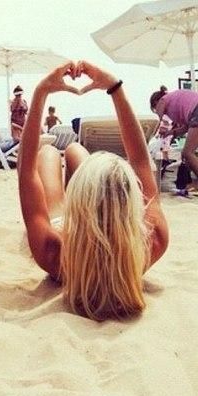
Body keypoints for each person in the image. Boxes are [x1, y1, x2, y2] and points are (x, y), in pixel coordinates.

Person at [18, 60, 169, 321]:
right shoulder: (149, 245)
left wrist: (41, 92)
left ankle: (82, 169)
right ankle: (89, 167)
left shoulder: (55, 251)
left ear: (78, 201)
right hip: (99, 232)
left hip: (67, 230)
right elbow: (142, 161)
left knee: (48, 152)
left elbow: (26, 170)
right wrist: (114, 87)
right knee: (76, 151)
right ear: (132, 200)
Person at [150, 85, 198, 179]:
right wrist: (170, 133)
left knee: (187, 153)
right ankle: (186, 183)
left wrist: (151, 133)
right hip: (195, 113)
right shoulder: (174, 103)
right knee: (186, 157)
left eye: (155, 109)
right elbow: (186, 128)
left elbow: (157, 120)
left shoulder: (163, 100)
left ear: (156, 102)